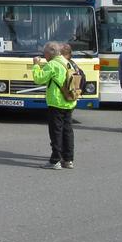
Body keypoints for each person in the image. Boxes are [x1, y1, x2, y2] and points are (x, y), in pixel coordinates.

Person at [32, 41, 76, 169]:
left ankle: (55, 160)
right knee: (68, 131)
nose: (44, 55)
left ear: (50, 52)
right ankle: (68, 159)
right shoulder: (67, 62)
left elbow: (38, 79)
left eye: (45, 53)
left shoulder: (52, 64)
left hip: (56, 102)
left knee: (56, 132)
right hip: (69, 101)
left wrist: (35, 65)